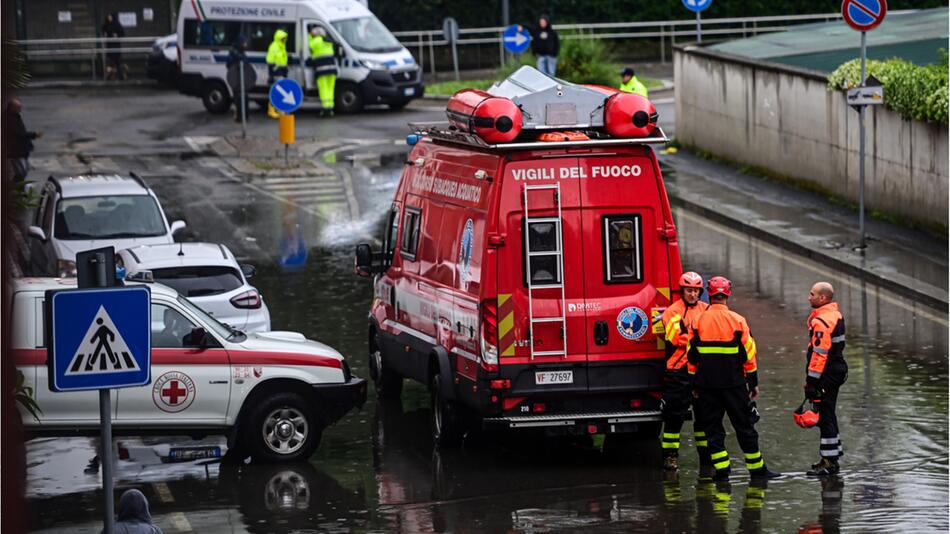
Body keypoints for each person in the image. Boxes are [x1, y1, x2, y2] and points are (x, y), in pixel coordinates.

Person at [687, 276, 780, 481]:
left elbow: (691, 357)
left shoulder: (697, 321)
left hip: (706, 385)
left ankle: (722, 472)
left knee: (713, 429)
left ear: (708, 294)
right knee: (745, 427)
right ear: (728, 294)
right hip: (734, 385)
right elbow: (749, 355)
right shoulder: (738, 321)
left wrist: (693, 385)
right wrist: (753, 383)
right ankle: (757, 471)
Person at [659, 271, 709, 471]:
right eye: (689, 290)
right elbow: (676, 337)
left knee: (704, 417)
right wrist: (699, 337)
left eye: (696, 291)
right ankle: (670, 457)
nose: (693, 295)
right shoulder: (672, 311)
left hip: (700, 371)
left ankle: (706, 458)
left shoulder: (706, 309)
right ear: (682, 291)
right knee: (674, 417)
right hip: (678, 372)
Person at [804, 282, 848, 476]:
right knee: (828, 411)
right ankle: (831, 456)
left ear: (822, 298)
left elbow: (819, 354)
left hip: (826, 375)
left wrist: (812, 382)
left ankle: (829, 463)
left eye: (812, 294)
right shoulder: (835, 315)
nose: (809, 297)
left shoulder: (822, 321)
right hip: (836, 371)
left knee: (825, 415)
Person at [2, 99, 41, 182]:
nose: (20, 109)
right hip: (16, 151)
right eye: (18, 107)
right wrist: (33, 135)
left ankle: (18, 187)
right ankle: (16, 187)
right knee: (21, 171)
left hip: (20, 150)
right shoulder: (9, 119)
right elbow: (19, 134)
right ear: (12, 108)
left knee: (24, 170)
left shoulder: (15, 116)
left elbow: (21, 132)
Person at [307, 26, 338, 117]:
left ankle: (325, 110)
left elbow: (309, 46)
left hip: (322, 70)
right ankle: (330, 108)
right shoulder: (328, 41)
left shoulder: (316, 41)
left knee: (323, 90)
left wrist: (309, 36)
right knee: (330, 89)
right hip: (332, 70)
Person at [226, 35, 253, 123]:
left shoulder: (242, 52)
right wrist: (237, 59)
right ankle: (239, 117)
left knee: (245, 97)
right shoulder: (233, 52)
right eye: (244, 43)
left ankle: (245, 116)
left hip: (243, 79)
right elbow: (229, 64)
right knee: (237, 99)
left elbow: (247, 63)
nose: (245, 45)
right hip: (236, 80)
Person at [265, 29, 290, 118]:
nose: (286, 40)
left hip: (281, 72)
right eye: (284, 38)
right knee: (276, 92)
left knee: (279, 92)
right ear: (280, 38)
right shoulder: (274, 46)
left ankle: (279, 111)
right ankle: (272, 111)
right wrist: (273, 71)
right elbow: (270, 60)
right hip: (276, 73)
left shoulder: (281, 46)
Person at [101, 12, 127, 81]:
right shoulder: (106, 24)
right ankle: (110, 75)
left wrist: (117, 35)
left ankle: (120, 75)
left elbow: (122, 33)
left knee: (118, 61)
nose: (109, 18)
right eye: (108, 17)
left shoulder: (117, 24)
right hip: (109, 45)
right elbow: (103, 30)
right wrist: (105, 34)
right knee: (110, 61)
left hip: (116, 44)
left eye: (110, 17)